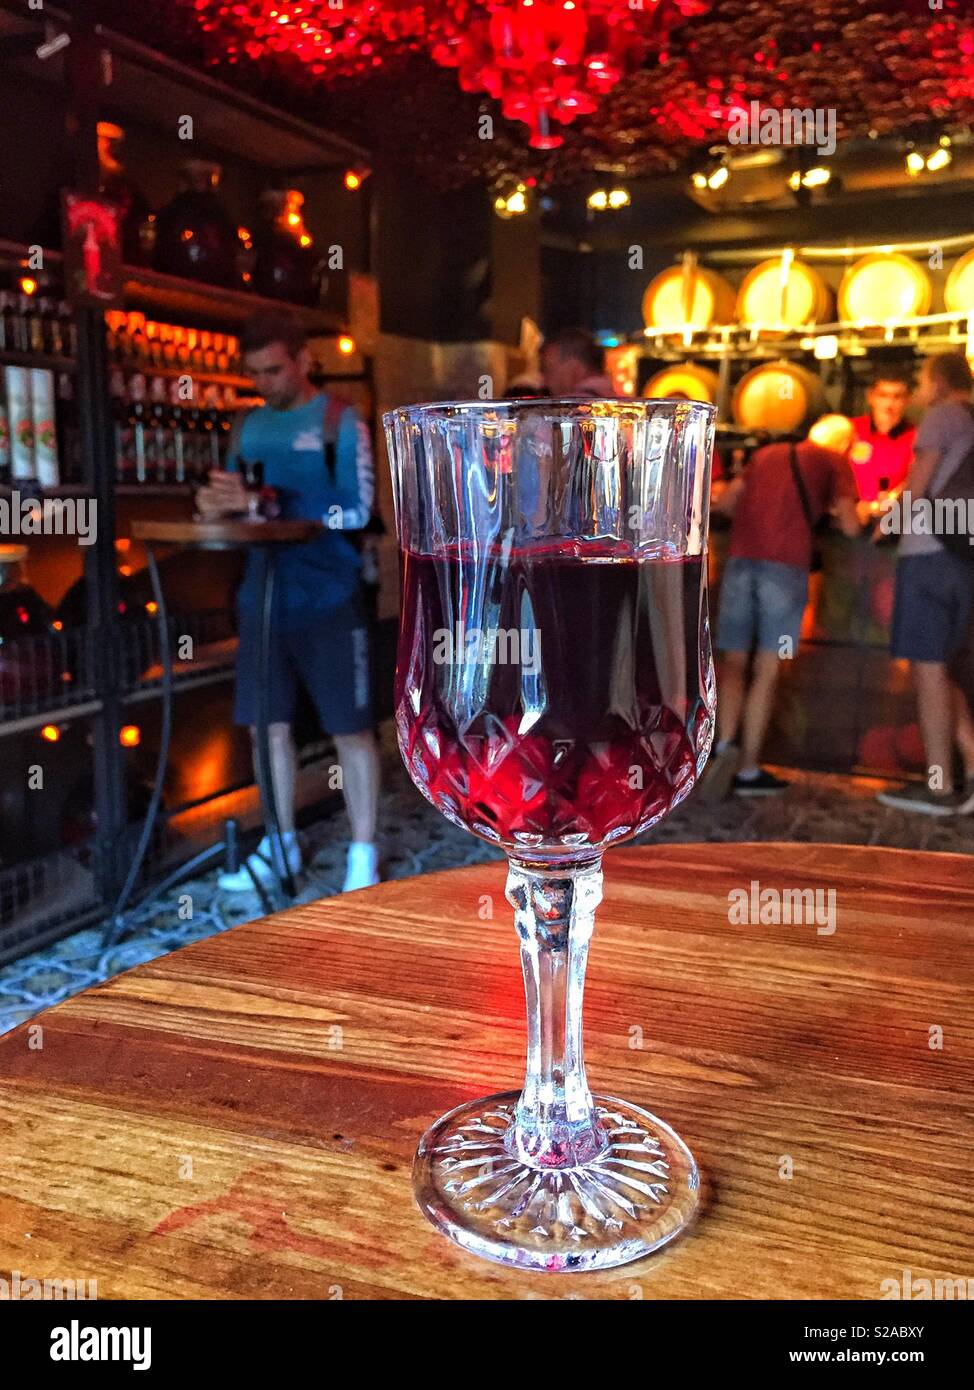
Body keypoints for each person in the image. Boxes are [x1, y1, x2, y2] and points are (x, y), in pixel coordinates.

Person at [196, 310, 382, 890]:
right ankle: (280, 844)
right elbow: (237, 503)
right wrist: (217, 506)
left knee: (351, 728)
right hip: (263, 597)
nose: (265, 384)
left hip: (329, 594)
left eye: (274, 370)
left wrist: (283, 504)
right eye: (255, 374)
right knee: (265, 726)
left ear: (303, 361)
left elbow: (360, 511)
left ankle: (362, 856)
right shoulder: (247, 428)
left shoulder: (338, 422)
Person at [704, 416, 861, 799]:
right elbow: (853, 527)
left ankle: (723, 747)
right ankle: (749, 769)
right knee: (769, 669)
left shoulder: (767, 453)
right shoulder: (834, 461)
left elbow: (725, 502)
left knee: (735, 663)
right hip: (786, 571)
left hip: (740, 563)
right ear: (842, 444)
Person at [877, 352, 974, 816]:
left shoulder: (942, 415)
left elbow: (916, 488)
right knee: (950, 671)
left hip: (930, 551)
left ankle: (939, 787)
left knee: (928, 668)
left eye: (919, 378)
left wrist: (884, 526)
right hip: (963, 557)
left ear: (937, 380)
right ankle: (969, 776)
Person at [849, 369, 916, 504]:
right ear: (870, 397)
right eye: (883, 395)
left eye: (897, 397)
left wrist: (885, 504)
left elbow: (916, 481)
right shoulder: (849, 430)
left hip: (896, 516)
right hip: (849, 514)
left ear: (908, 400)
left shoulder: (917, 438)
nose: (889, 404)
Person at [539, 328, 613, 397]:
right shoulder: (614, 400)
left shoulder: (573, 406)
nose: (543, 381)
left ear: (573, 366)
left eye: (548, 370)